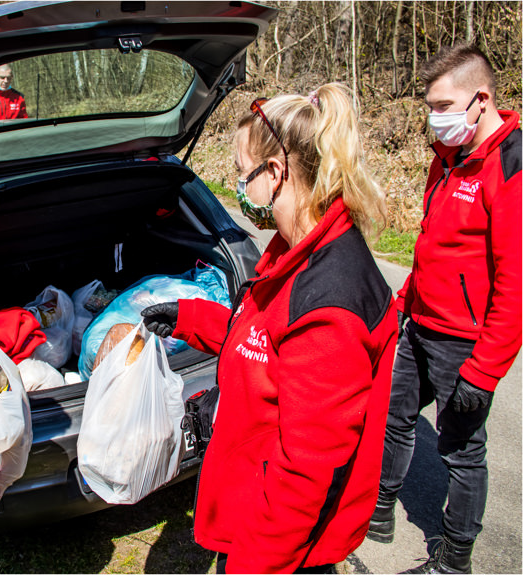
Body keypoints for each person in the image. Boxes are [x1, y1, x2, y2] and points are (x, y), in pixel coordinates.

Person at [141, 83, 398, 573]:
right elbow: (263, 345)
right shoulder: (291, 249)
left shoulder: (331, 303)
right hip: (247, 505)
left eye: (242, 174)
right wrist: (191, 318)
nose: (239, 189)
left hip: (280, 546)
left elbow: (304, 474)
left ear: (276, 173)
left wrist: (251, 567)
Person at [365, 45, 521, 574]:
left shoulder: (511, 166)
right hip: (419, 326)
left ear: (481, 100)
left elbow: (515, 282)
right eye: (430, 106)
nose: (435, 118)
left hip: (466, 343)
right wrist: (401, 304)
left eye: (443, 104)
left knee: (461, 450)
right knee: (392, 416)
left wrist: (487, 367)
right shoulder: (446, 155)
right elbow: (433, 246)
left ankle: (454, 558)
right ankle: (378, 511)